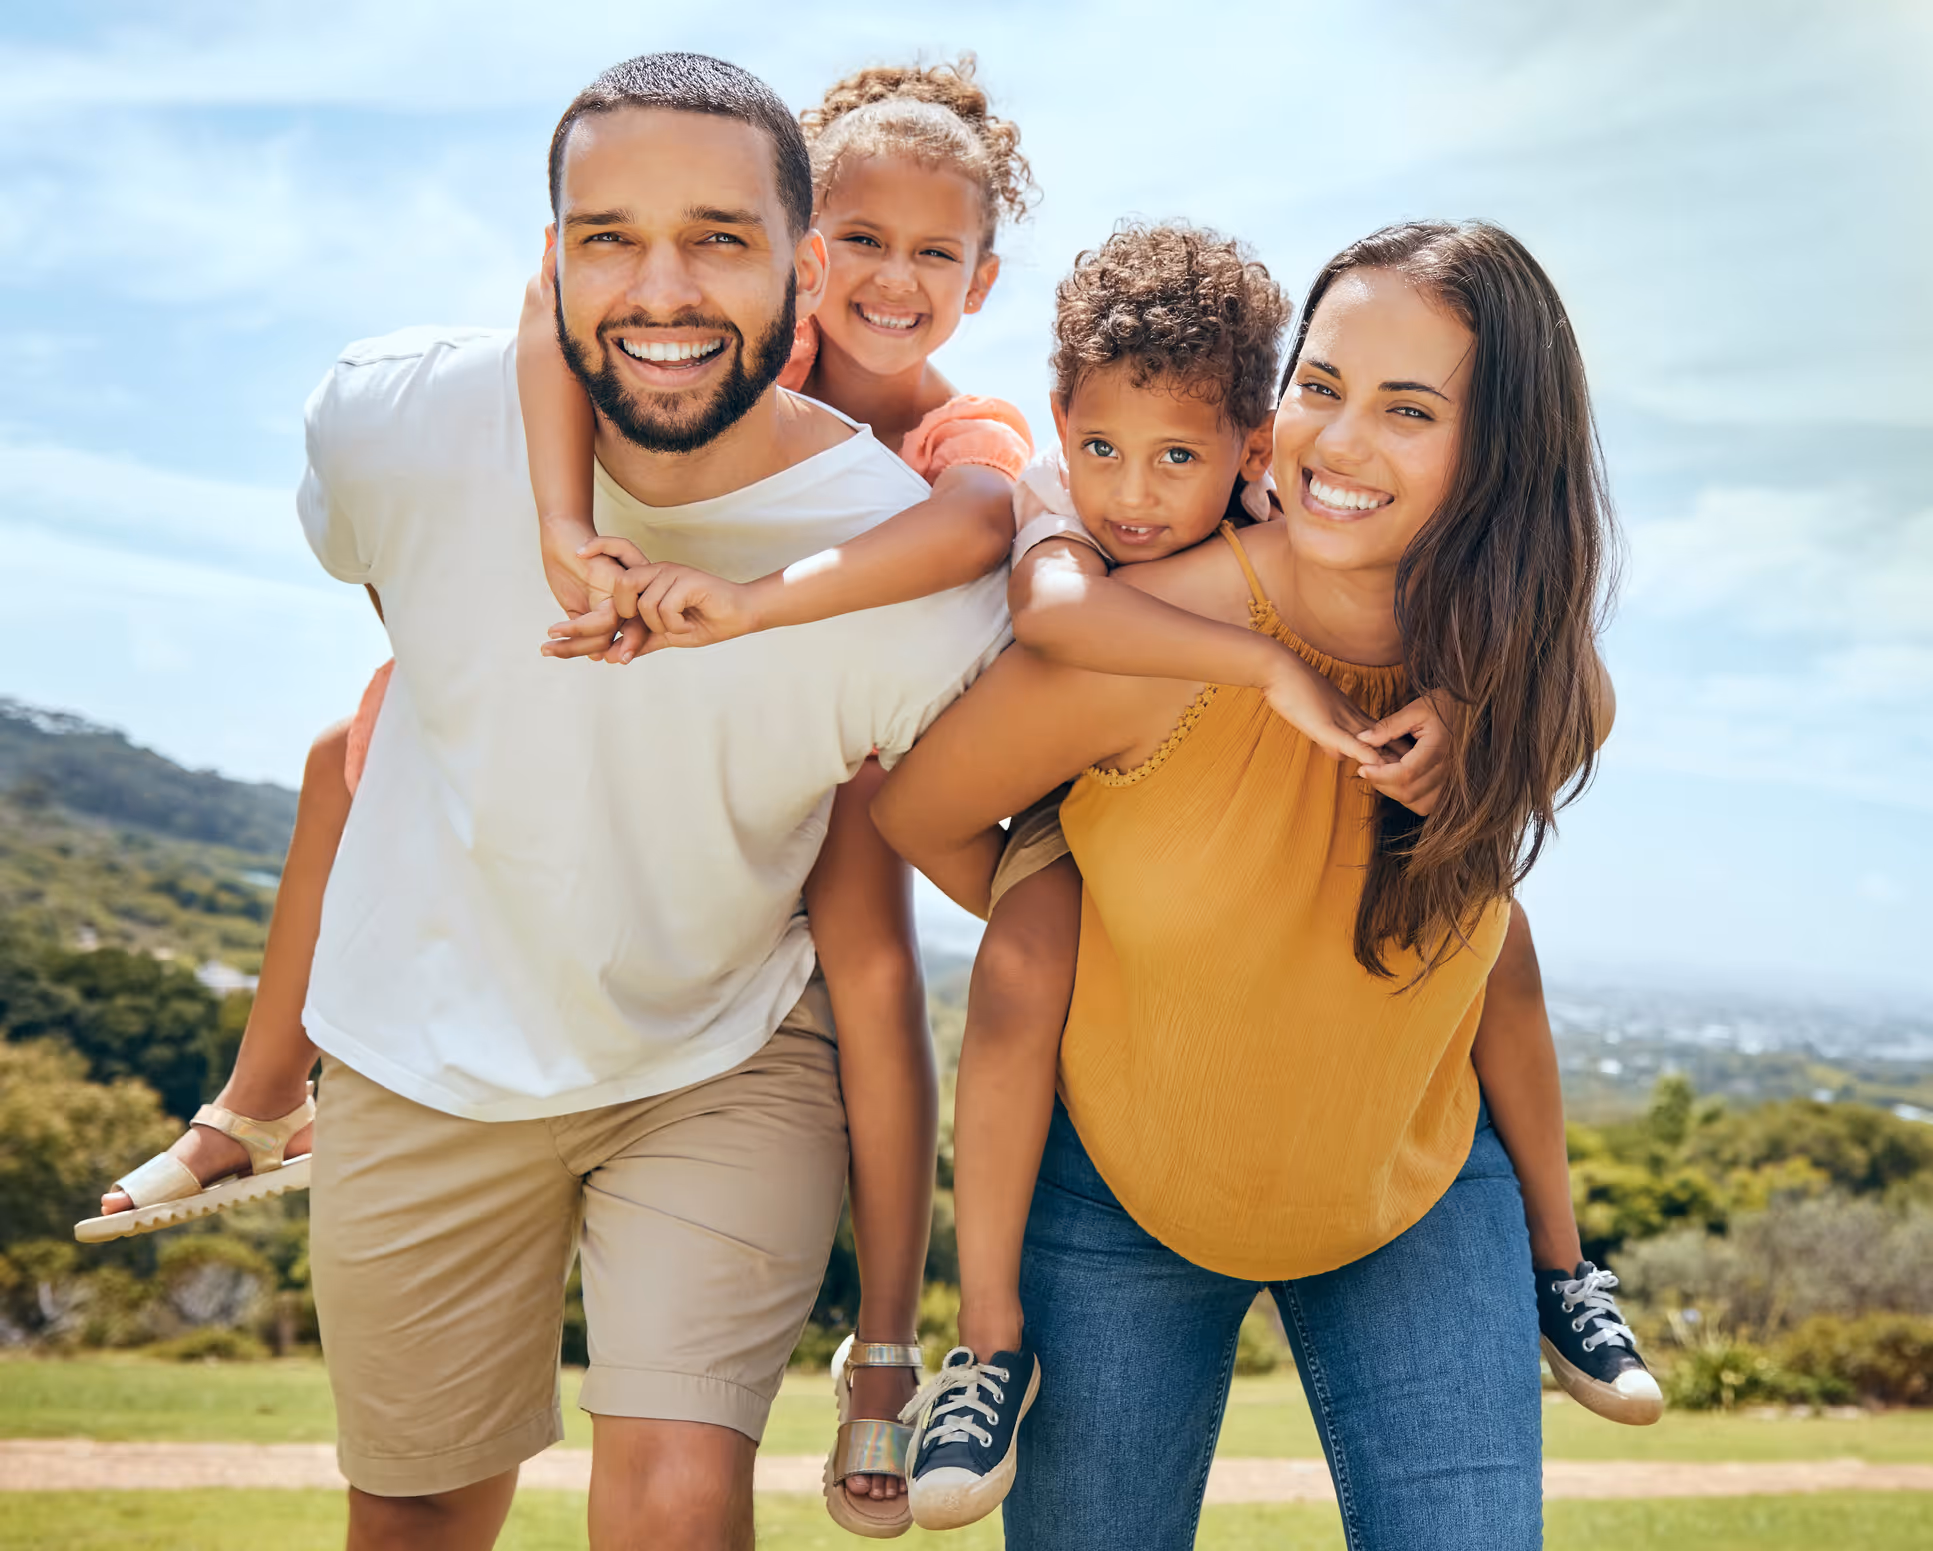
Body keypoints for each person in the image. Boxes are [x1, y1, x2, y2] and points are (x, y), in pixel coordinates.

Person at [114, 51, 1011, 1551]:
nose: (663, 287)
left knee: (673, 1495)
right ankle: (259, 1101)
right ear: (552, 261)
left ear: (796, 265)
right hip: (430, 1035)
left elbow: (1004, 577)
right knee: (415, 1510)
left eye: (720, 239)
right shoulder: (390, 423)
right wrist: (539, 550)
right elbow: (408, 608)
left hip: (719, 1041)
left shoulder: (911, 557)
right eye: (610, 238)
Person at [873, 219, 1634, 1550]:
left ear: (1503, 448)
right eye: (1322, 388)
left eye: (1409, 410)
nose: (1340, 444)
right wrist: (1066, 931)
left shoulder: (1525, 668)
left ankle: (1568, 1273)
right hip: (1121, 1192)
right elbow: (920, 808)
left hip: (1418, 1190)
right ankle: (981, 1346)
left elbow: (1584, 700)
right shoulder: (1152, 638)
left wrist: (1483, 696)